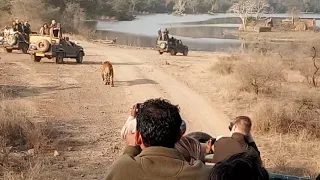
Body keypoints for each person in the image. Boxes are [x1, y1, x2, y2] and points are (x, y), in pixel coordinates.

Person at [106, 98, 211, 180]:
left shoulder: (121, 170)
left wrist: (131, 149)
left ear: (138, 138)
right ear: (179, 136)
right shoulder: (203, 174)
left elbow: (123, 168)